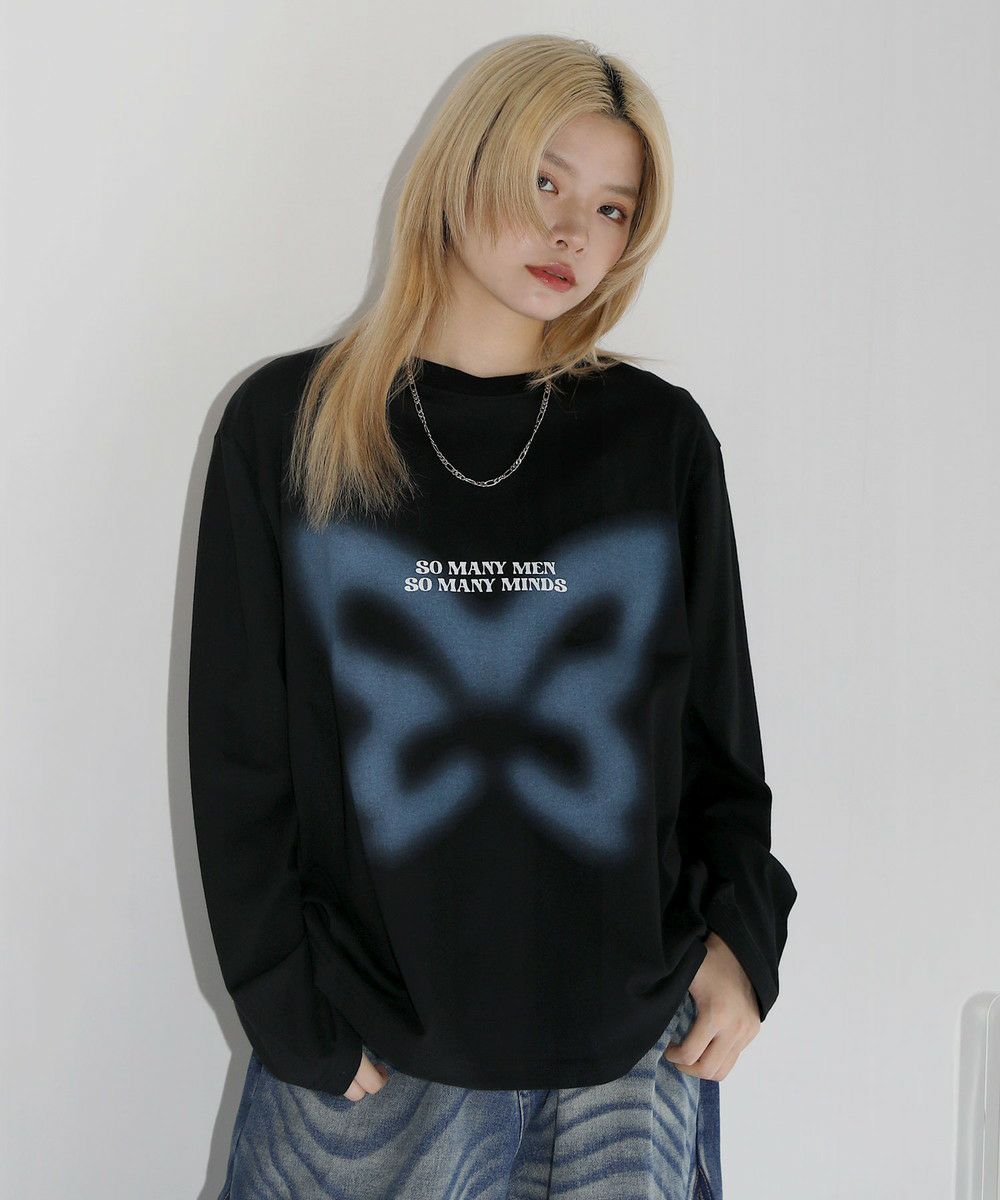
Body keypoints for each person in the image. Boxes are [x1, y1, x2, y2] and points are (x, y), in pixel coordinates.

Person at [188, 32, 797, 1200]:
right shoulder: (289, 427)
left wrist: (743, 942)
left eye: (612, 209)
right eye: (544, 182)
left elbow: (716, 740)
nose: (573, 233)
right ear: (459, 169)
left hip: (628, 1059)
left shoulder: (657, 439)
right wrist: (289, 1010)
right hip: (370, 1057)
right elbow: (239, 754)